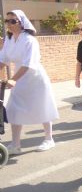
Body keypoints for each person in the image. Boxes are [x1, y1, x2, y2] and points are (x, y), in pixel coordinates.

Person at [0, 9, 59, 154]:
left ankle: (49, 139)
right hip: (19, 80)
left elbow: (28, 64)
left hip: (35, 79)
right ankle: (15, 144)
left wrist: (13, 80)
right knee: (14, 110)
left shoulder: (29, 40)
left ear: (21, 23)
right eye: (7, 21)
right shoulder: (9, 39)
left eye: (13, 21)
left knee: (42, 107)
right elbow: (3, 59)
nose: (9, 24)